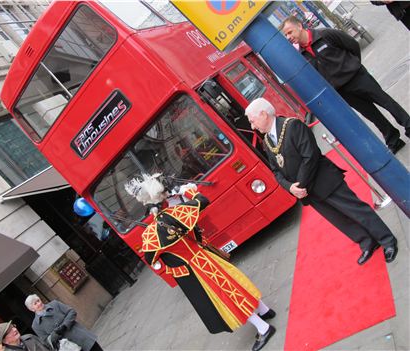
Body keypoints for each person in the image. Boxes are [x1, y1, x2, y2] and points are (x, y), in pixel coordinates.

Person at [124, 173, 276, 351]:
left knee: (227, 295)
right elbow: (202, 200)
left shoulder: (150, 234)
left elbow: (151, 258)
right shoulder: (177, 212)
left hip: (198, 269)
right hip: (207, 257)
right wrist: (188, 192)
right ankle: (265, 311)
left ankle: (263, 328)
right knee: (234, 284)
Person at [245, 98, 398, 265]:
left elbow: (310, 156)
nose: (253, 127)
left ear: (263, 114)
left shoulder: (293, 126)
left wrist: (300, 186)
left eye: (252, 121)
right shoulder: (267, 141)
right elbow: (275, 171)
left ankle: (387, 240)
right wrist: (290, 188)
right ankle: (367, 242)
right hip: (307, 191)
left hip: (323, 180)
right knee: (339, 219)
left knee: (356, 211)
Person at [280, 16, 410, 154]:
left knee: (386, 102)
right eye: (286, 35)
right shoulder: (302, 55)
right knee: (372, 115)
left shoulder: (324, 34)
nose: (288, 37)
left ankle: (408, 125)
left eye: (290, 32)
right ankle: (393, 140)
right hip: (343, 91)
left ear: (299, 26)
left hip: (358, 78)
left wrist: (353, 65)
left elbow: (352, 44)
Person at [25, 294, 103, 351]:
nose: (39, 304)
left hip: (81, 336)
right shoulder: (35, 325)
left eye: (38, 300)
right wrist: (56, 334)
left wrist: (65, 326)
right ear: (32, 309)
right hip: (70, 347)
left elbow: (72, 312)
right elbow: (46, 341)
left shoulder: (54, 304)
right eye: (35, 304)